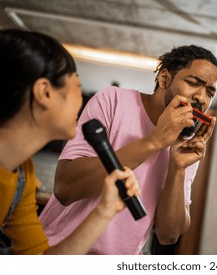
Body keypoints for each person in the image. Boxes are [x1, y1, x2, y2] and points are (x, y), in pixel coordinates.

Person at [39, 44, 217, 254]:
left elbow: (168, 234)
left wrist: (178, 168)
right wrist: (154, 141)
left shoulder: (185, 144)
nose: (201, 98)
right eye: (193, 83)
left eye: (210, 92)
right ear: (164, 79)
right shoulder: (113, 100)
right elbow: (65, 188)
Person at [0, 29, 140, 255]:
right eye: (77, 84)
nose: (82, 97)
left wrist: (104, 210)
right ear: (45, 92)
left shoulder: (22, 174)